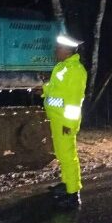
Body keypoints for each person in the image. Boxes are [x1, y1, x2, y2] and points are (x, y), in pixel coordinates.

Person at [41, 33, 87, 209]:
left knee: (68, 156)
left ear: (66, 51)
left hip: (65, 122)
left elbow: (72, 101)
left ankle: (73, 193)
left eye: (58, 48)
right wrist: (44, 89)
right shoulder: (62, 67)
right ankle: (66, 183)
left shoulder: (75, 71)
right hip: (57, 119)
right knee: (62, 155)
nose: (55, 51)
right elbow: (56, 90)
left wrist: (68, 124)